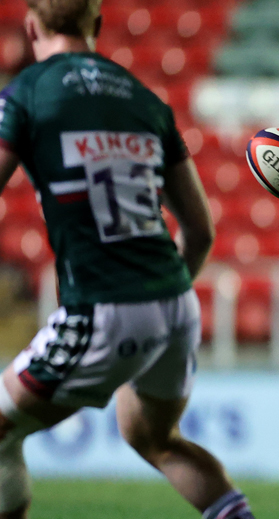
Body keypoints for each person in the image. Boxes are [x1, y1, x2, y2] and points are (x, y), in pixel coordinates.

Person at [0, 2, 254, 518]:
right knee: (155, 439)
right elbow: (200, 231)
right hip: (175, 300)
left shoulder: (26, 94)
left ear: (32, 27)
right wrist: (158, 298)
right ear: (96, 25)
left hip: (103, 306)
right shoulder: (146, 100)